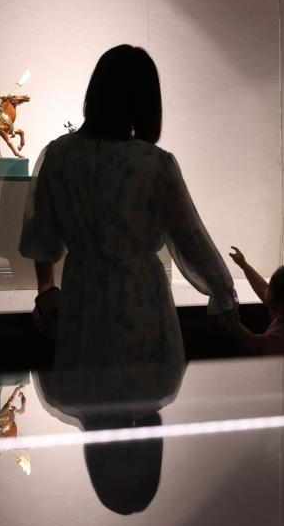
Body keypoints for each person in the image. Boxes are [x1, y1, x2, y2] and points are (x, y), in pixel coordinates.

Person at [19, 44, 237, 374]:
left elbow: (42, 235)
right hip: (139, 299)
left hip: (82, 297)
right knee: (143, 390)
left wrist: (45, 289)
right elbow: (189, 237)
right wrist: (221, 290)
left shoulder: (59, 155)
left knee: (89, 391)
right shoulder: (153, 164)